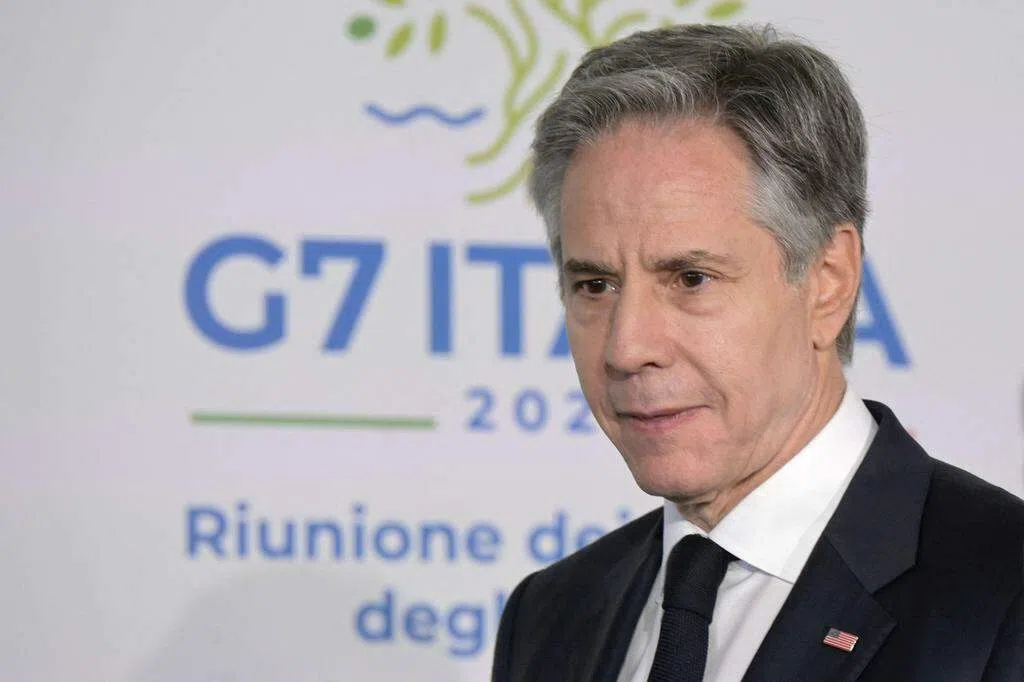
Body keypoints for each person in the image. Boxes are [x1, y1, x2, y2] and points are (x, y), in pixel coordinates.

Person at [491, 23, 1024, 682]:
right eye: (595, 285)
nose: (627, 348)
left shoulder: (1004, 597)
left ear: (828, 282)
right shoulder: (550, 618)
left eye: (690, 279)